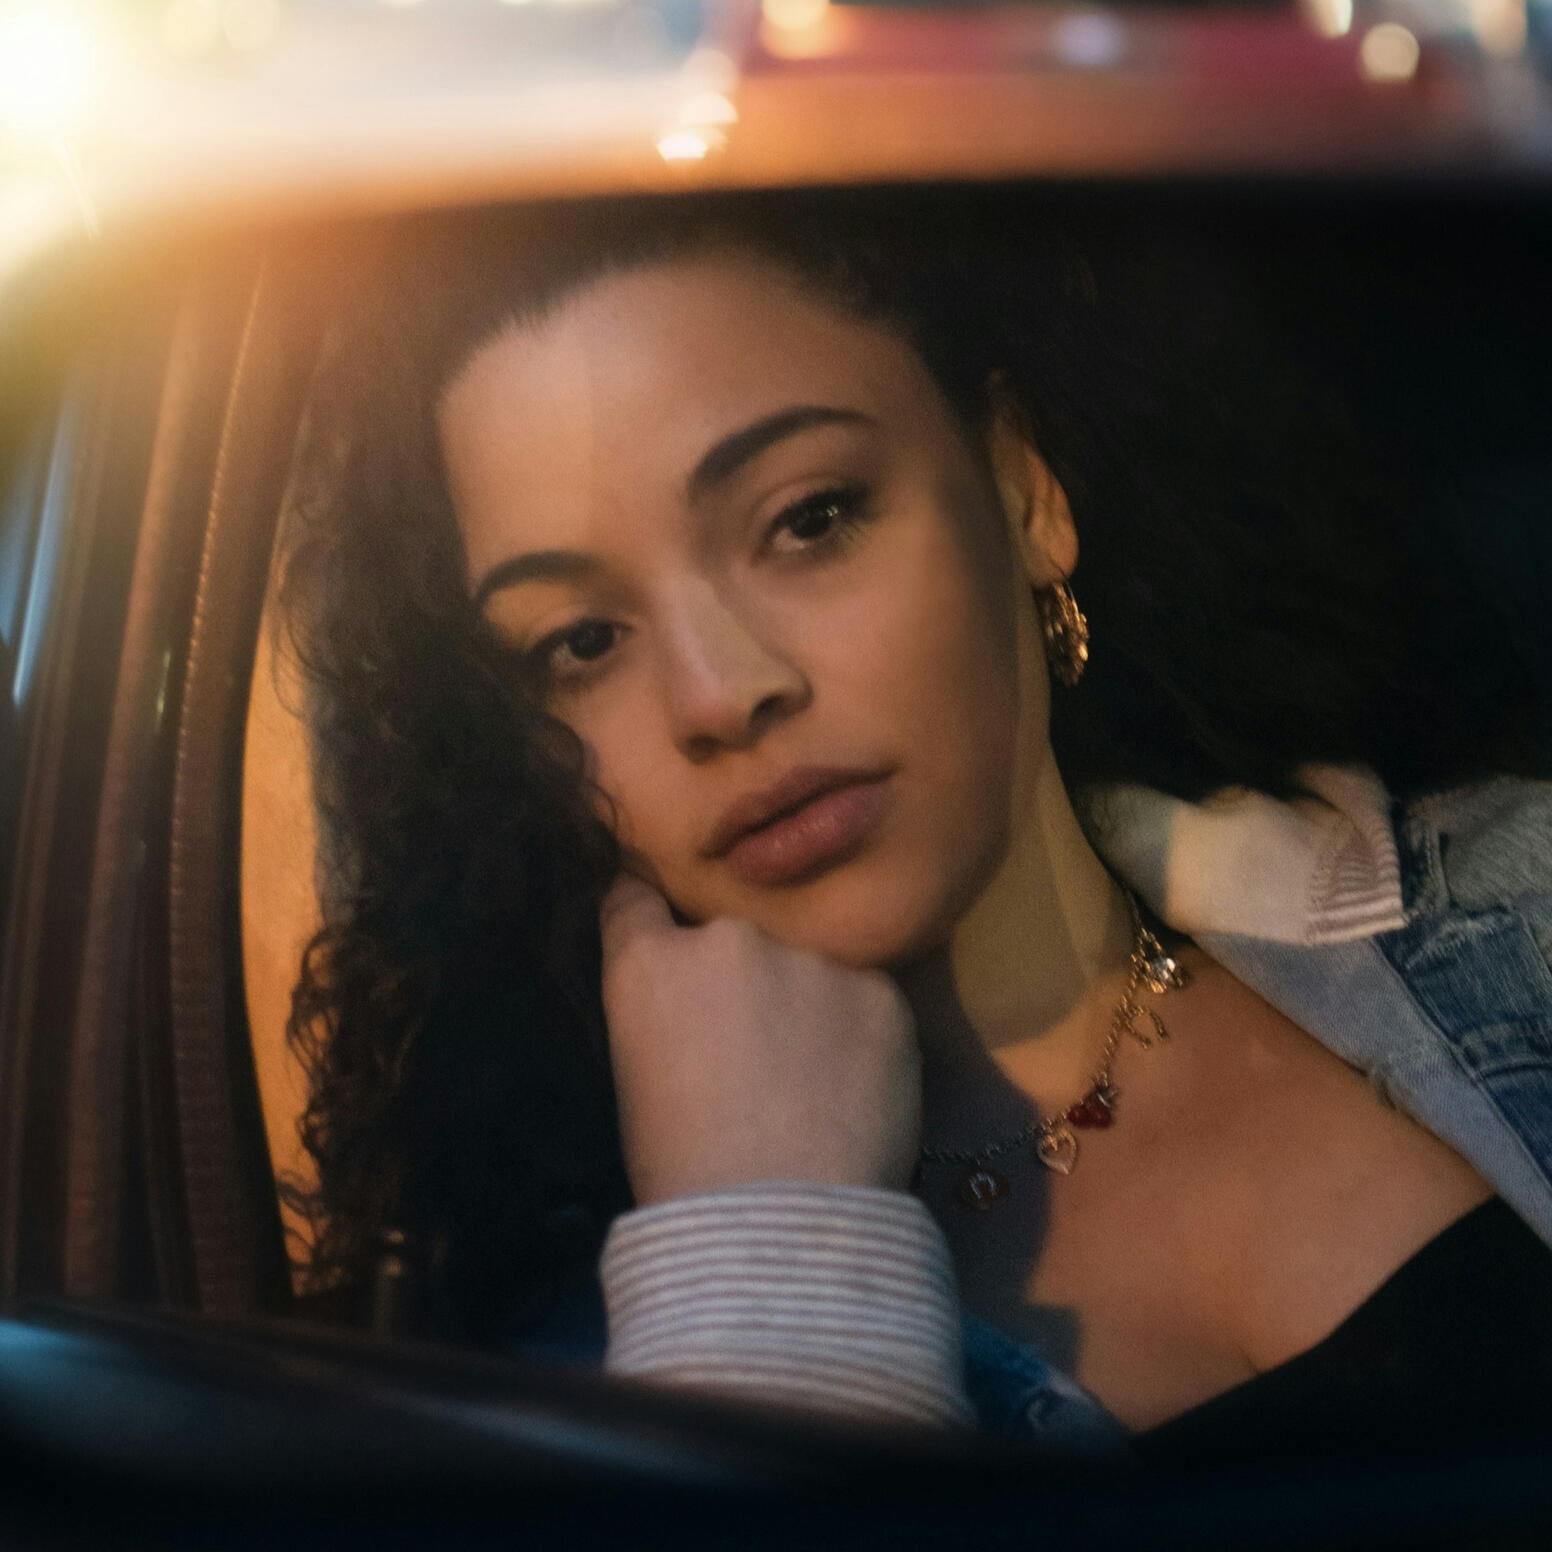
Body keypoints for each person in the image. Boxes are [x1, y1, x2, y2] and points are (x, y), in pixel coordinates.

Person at [276, 192, 1552, 1452]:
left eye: (809, 518)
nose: (721, 695)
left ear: (1020, 486)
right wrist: (765, 1253)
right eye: (583, 640)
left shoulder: (1520, 919)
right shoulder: (550, 1371)